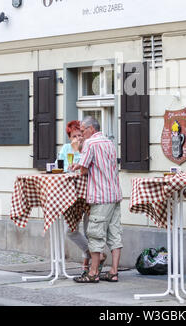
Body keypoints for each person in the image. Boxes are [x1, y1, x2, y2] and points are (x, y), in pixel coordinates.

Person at [73, 116, 123, 283]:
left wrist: (79, 167)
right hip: (114, 194)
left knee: (95, 234)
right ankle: (114, 272)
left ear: (91, 129)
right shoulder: (109, 142)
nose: (81, 134)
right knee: (115, 235)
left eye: (83, 130)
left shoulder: (90, 143)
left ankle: (93, 273)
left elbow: (84, 170)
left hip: (101, 196)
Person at [58, 120, 106, 276]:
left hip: (89, 193)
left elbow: (89, 169)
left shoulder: (89, 147)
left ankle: (88, 264)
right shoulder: (66, 148)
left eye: (80, 134)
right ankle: (95, 255)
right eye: (74, 136)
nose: (78, 138)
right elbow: (59, 167)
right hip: (71, 194)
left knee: (88, 231)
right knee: (70, 231)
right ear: (69, 136)